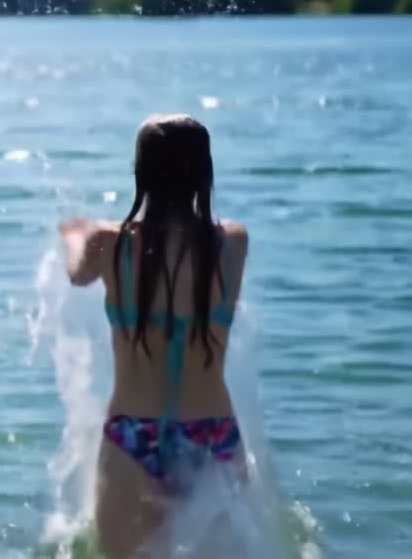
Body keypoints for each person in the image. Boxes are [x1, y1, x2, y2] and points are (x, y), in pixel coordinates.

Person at [59, 114, 249, 557]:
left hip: (134, 433)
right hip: (214, 432)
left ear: (140, 174)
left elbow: (77, 275)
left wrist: (73, 235)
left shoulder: (109, 242)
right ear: (205, 173)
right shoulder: (233, 243)